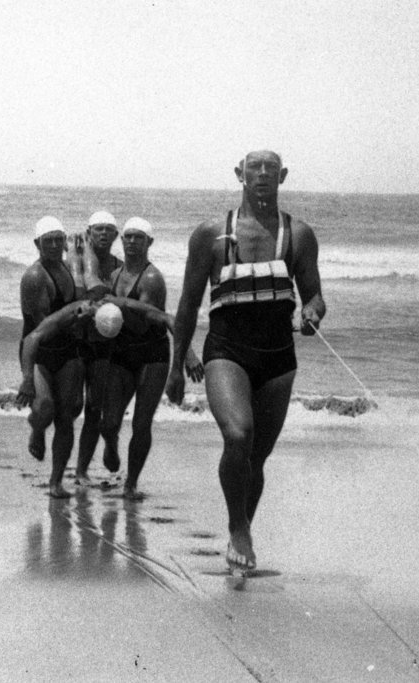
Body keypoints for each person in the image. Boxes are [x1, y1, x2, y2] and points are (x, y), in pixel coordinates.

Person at [167, 150, 326, 574]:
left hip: (278, 359)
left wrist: (312, 313)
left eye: (271, 169)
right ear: (239, 174)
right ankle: (238, 529)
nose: (262, 174)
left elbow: (314, 294)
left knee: (257, 457)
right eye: (254, 167)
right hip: (227, 352)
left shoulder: (299, 235)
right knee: (239, 435)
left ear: (283, 177)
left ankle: (243, 531)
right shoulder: (210, 235)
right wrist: (176, 365)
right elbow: (187, 305)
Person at [100, 217, 197, 500]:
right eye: (128, 236)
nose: (132, 242)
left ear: (149, 242)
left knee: (141, 424)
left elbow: (147, 320)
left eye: (138, 237)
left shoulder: (152, 279)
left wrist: (187, 355)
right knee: (108, 423)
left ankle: (131, 484)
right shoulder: (114, 275)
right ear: (122, 240)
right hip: (122, 351)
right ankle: (111, 445)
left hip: (152, 354)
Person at [18, 301, 123, 497]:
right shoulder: (73, 308)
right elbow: (34, 335)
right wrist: (27, 380)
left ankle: (68, 477)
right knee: (61, 407)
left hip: (87, 348)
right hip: (61, 348)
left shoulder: (107, 311)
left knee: (81, 412)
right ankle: (38, 428)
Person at [19, 216, 84, 470]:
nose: (55, 245)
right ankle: (37, 428)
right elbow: (44, 327)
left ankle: (56, 480)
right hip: (39, 350)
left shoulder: (67, 267)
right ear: (37, 244)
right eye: (48, 241)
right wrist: (26, 378)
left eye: (59, 240)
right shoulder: (35, 276)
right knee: (45, 407)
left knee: (67, 416)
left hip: (66, 347)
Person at [69, 211, 125, 485]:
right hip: (77, 343)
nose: (103, 234)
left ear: (116, 235)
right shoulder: (74, 261)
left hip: (104, 346)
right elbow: (75, 296)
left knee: (94, 409)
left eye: (108, 230)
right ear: (89, 233)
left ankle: (81, 471)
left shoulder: (119, 268)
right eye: (98, 229)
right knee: (73, 405)